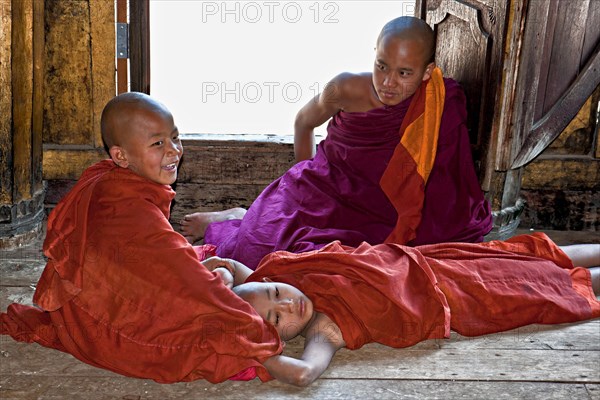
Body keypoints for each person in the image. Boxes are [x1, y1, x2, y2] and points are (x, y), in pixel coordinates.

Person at [0, 92, 282, 384]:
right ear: (121, 156)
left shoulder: (109, 177)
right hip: (99, 326)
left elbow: (156, 260)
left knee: (214, 265)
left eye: (175, 137)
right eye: (158, 143)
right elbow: (185, 280)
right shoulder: (130, 211)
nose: (173, 151)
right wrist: (251, 328)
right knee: (206, 343)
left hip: (87, 303)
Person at [180, 16, 493, 270]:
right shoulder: (345, 87)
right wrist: (301, 183)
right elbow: (304, 122)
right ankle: (240, 218)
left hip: (382, 205)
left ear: (427, 73)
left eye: (404, 73)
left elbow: (446, 175)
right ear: (374, 52)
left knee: (343, 268)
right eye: (381, 65)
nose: (388, 82)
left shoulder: (440, 101)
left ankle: (241, 216)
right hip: (327, 187)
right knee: (256, 257)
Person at [216, 233, 600, 386]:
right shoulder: (325, 329)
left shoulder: (279, 272)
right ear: (276, 336)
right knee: (544, 285)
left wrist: (214, 275)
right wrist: (258, 351)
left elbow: (232, 267)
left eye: (275, 292)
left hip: (432, 262)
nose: (288, 302)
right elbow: (303, 374)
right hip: (457, 297)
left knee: (526, 254)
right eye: (278, 319)